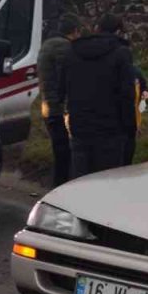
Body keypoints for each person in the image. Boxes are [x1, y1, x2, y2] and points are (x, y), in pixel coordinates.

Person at [59, 12, 136, 178]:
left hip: (80, 126)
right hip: (111, 130)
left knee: (80, 179)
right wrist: (130, 128)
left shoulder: (72, 51)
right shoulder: (121, 53)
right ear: (118, 32)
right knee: (108, 180)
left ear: (96, 28)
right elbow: (127, 95)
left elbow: (61, 89)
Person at [37, 13, 83, 187]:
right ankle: (61, 190)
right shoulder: (64, 47)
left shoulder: (47, 45)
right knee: (66, 154)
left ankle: (59, 186)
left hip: (47, 107)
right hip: (59, 108)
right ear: (75, 31)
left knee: (59, 151)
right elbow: (69, 78)